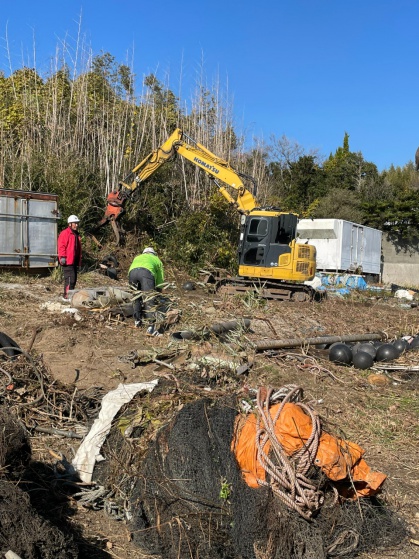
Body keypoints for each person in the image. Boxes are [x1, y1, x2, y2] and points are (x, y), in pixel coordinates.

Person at [128, 247, 164, 336]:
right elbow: (160, 279)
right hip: (146, 272)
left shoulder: (137, 257)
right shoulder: (156, 259)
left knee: (136, 297)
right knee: (149, 298)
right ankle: (151, 328)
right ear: (154, 253)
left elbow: (132, 267)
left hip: (132, 273)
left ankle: (137, 321)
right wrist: (158, 292)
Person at [57, 215, 82, 300]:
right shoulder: (65, 233)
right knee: (70, 280)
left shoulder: (75, 234)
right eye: (75, 223)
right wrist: (62, 257)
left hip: (74, 261)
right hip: (67, 261)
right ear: (70, 224)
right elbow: (61, 246)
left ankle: (70, 296)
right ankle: (67, 297)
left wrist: (79, 260)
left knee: (73, 280)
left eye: (77, 223)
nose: (77, 225)